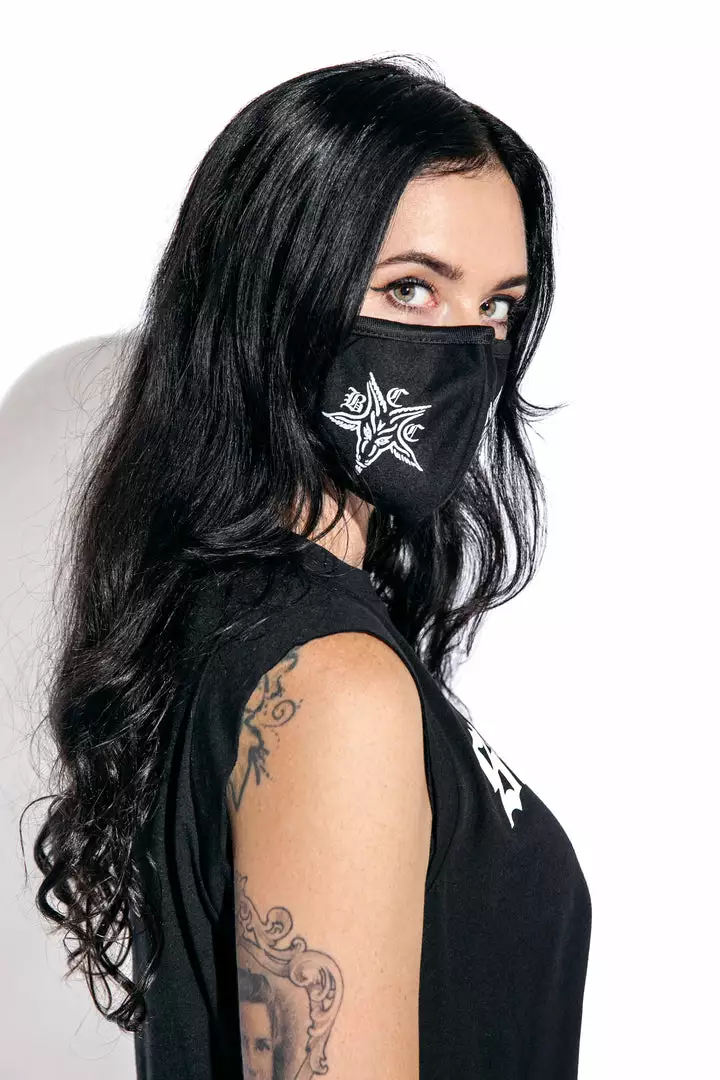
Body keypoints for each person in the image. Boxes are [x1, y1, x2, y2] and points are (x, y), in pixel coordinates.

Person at [24, 54, 592, 1079]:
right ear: (279, 297)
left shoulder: (250, 627)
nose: (468, 348)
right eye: (411, 289)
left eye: (498, 307)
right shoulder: (332, 686)